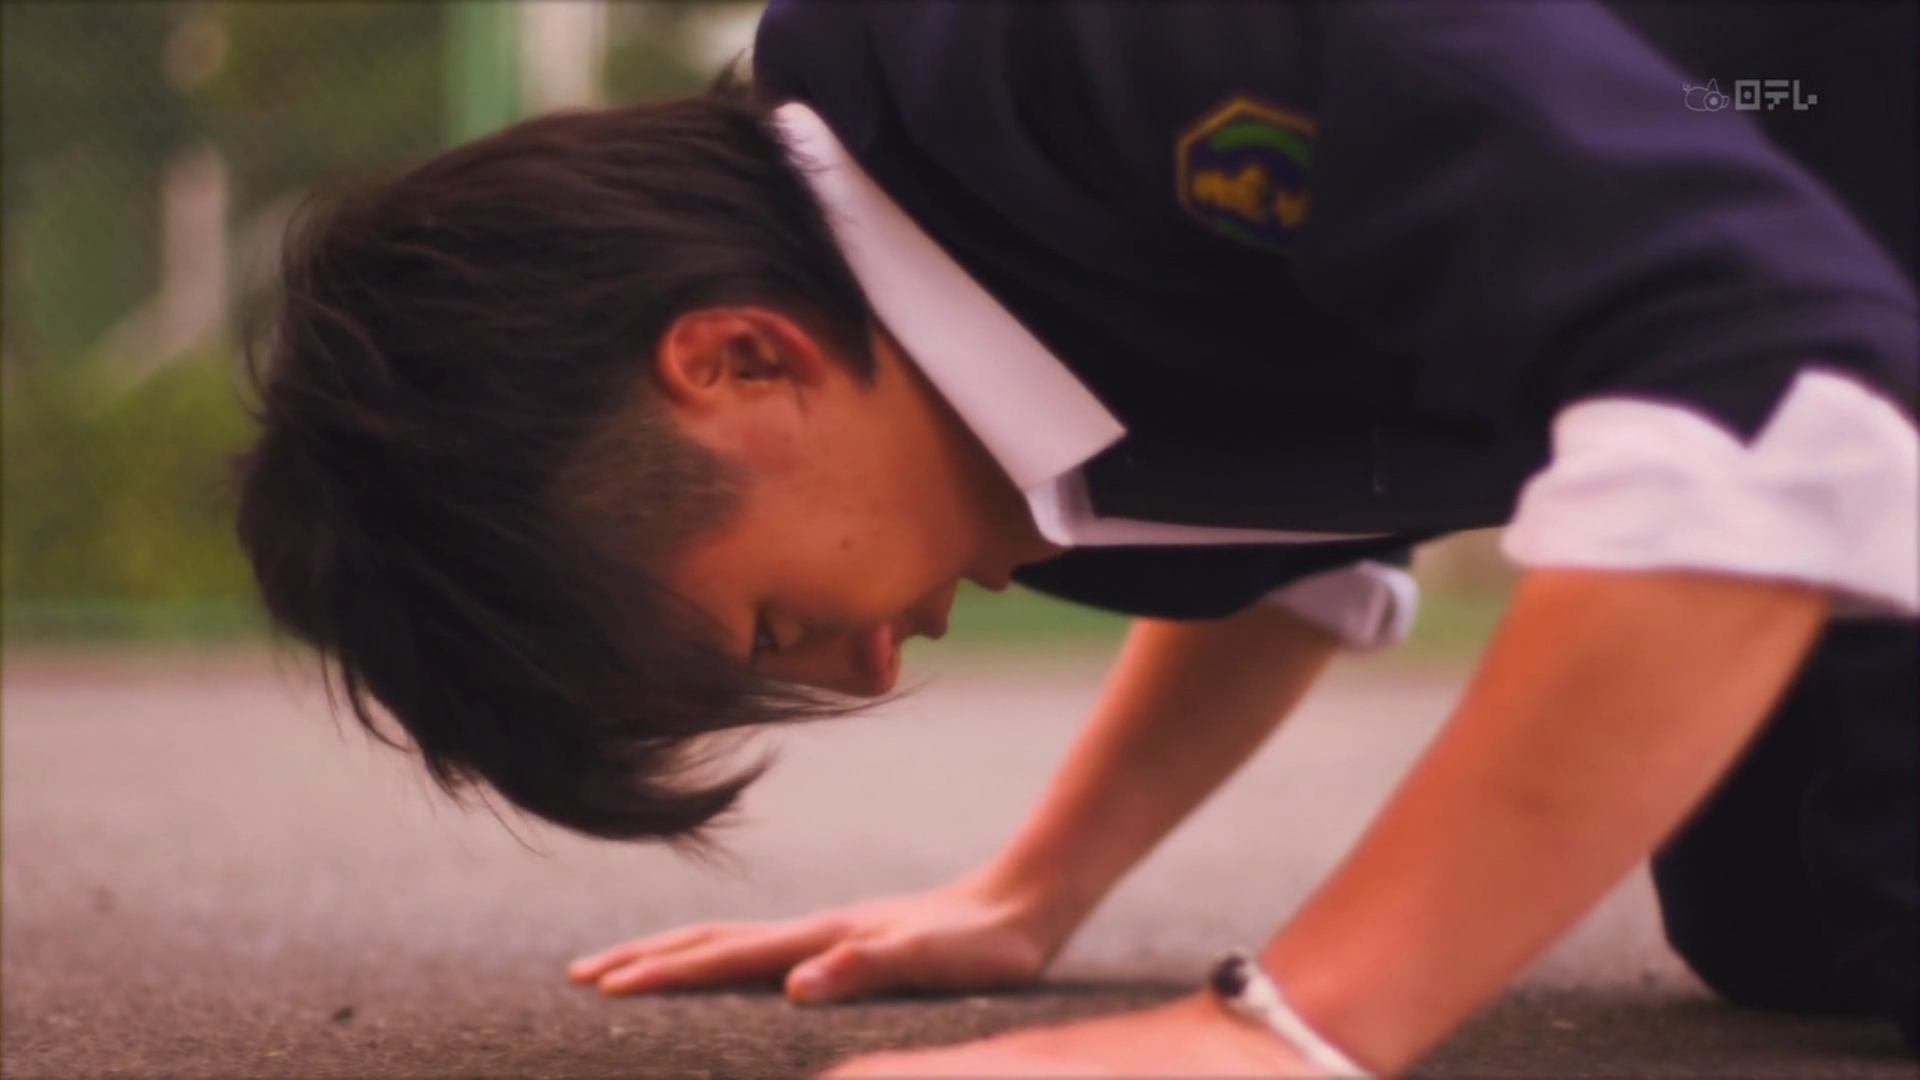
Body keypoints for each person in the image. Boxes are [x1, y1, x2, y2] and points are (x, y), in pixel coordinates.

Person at [234, 1, 1916, 1074]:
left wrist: (1292, 1028)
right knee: (1773, 926)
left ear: (735, 364)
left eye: (771, 632)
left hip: (1842, 260)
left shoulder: (1093, 41)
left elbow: (1761, 371)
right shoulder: (974, 420)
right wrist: (1038, 891)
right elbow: (1278, 522)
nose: (868, 671)